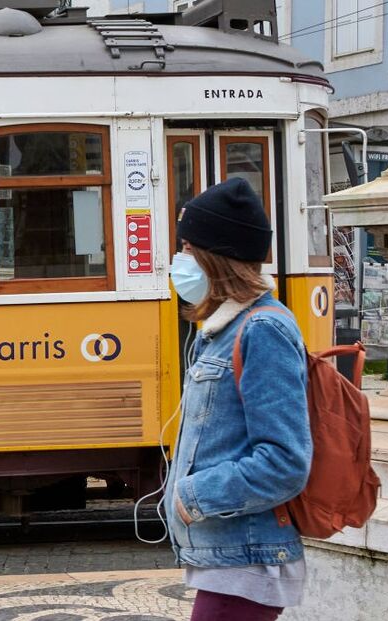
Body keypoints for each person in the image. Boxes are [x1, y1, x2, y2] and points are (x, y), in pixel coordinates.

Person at [163, 177, 311, 621]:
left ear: (215, 258)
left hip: (246, 557)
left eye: (189, 249)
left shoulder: (263, 330)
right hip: (226, 557)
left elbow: (285, 461)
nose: (180, 260)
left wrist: (191, 495)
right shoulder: (221, 331)